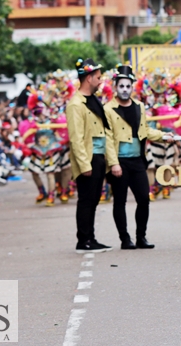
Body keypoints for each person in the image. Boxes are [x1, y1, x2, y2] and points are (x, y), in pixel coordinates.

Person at [104, 65, 175, 250]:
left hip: (137, 160)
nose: (125, 90)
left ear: (132, 87)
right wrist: (113, 163)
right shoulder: (108, 109)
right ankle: (125, 239)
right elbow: (108, 139)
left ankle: (141, 237)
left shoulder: (139, 107)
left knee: (144, 198)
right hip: (119, 162)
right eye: (121, 86)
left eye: (128, 86)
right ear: (115, 87)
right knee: (120, 201)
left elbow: (145, 131)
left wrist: (162, 135)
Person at [66, 58, 120, 254]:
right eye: (98, 77)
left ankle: (91, 238)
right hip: (88, 159)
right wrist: (84, 164)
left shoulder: (92, 101)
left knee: (94, 199)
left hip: (98, 157)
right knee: (86, 200)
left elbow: (104, 132)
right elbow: (76, 138)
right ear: (88, 78)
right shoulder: (75, 105)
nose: (100, 81)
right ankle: (83, 240)